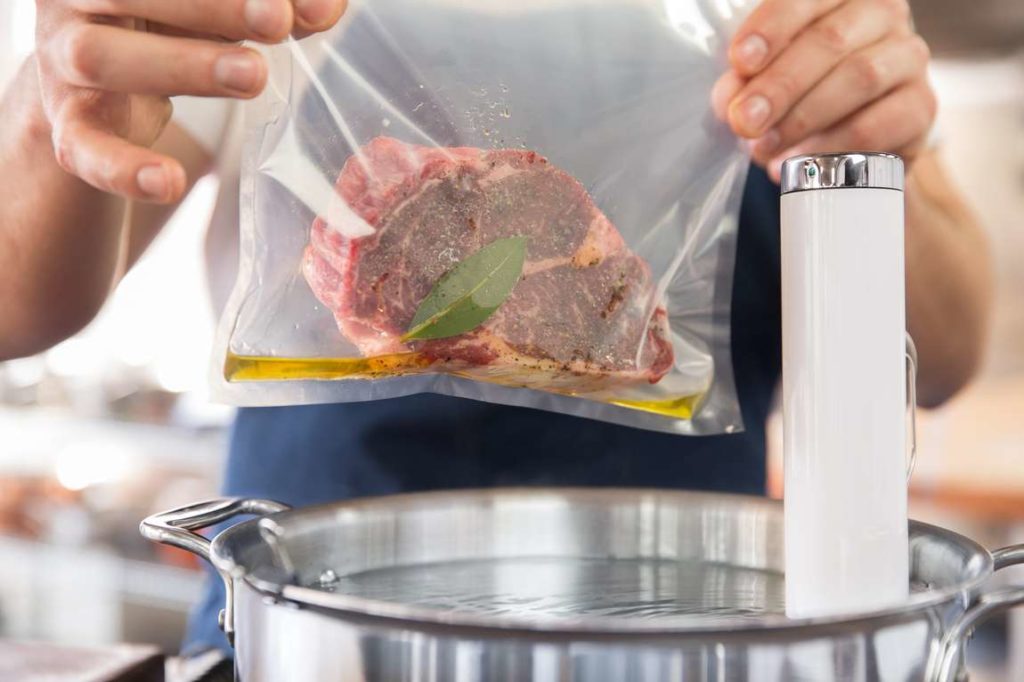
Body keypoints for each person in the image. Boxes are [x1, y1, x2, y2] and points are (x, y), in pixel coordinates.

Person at [0, 0, 991, 661]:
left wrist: (874, 157)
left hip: (690, 635)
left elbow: (947, 355)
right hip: (318, 636)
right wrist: (63, 110)